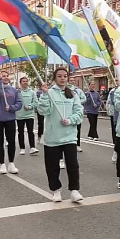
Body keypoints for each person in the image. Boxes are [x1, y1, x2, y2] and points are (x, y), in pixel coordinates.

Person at [37, 67, 84, 203]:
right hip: (53, 137)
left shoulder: (73, 94)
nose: (62, 78)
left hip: (69, 136)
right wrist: (44, 95)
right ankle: (56, 190)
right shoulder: (49, 93)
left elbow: (79, 112)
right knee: (52, 166)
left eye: (65, 76)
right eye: (59, 76)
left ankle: (74, 190)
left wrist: (70, 120)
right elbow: (42, 111)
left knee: (72, 164)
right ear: (55, 78)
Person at [0, 71, 23, 174]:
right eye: (2, 76)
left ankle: (11, 163)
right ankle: (2, 164)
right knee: (0, 141)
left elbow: (19, 103)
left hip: (10, 119)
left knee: (11, 141)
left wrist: (11, 108)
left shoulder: (14, 90)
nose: (4, 77)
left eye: (6, 76)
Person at [16, 77, 39, 156]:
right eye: (23, 81)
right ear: (20, 83)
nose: (25, 82)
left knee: (30, 131)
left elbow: (36, 102)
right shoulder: (18, 92)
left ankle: (32, 147)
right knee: (21, 132)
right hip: (20, 115)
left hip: (29, 115)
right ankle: (22, 148)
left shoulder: (32, 92)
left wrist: (29, 107)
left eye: (26, 81)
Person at [68, 76, 86, 152]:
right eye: (70, 80)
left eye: (73, 80)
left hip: (77, 112)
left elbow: (84, 98)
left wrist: (77, 103)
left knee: (77, 129)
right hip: (68, 112)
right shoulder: (65, 90)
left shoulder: (78, 91)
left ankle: (77, 145)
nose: (72, 82)